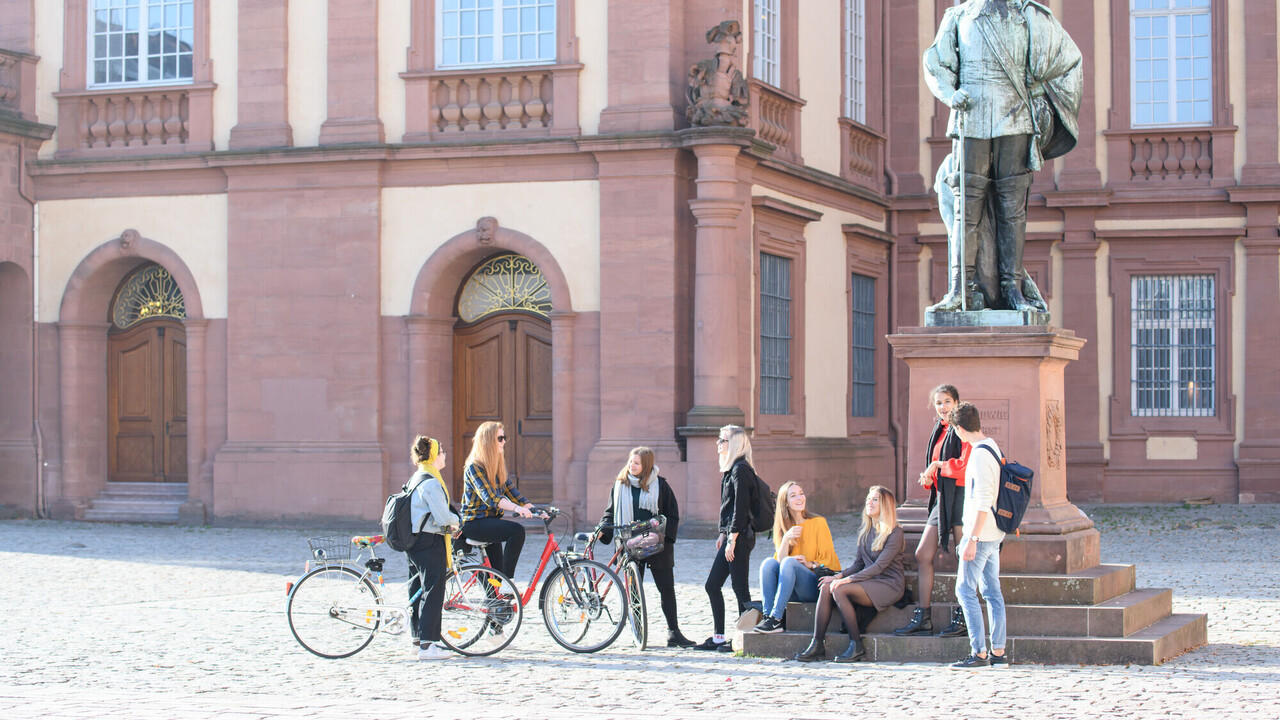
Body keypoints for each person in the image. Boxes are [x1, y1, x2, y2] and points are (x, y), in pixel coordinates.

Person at [923, 0, 1082, 312]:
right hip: (972, 117)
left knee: (1012, 209)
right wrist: (949, 94)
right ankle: (960, 289)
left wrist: (1039, 96)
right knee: (966, 207)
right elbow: (935, 64)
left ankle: (1013, 290)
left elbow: (1068, 61)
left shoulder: (1029, 14)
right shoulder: (958, 16)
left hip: (1016, 118)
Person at [598, 447, 697, 648]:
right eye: (630, 462)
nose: (631, 466)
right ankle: (638, 629)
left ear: (646, 466)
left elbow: (672, 514)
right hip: (629, 542)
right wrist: (604, 530)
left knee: (666, 588)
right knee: (634, 588)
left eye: (636, 463)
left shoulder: (660, 485)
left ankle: (673, 632)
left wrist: (665, 539)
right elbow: (610, 512)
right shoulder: (620, 485)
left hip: (656, 543)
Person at [794, 486, 905, 664]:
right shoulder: (866, 531)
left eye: (875, 499)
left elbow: (879, 566)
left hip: (889, 584)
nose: (869, 502)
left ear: (885, 505)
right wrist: (837, 577)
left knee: (839, 590)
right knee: (826, 586)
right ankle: (817, 644)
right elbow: (859, 564)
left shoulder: (895, 532)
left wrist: (846, 580)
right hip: (869, 581)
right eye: (868, 498)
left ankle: (856, 645)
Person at [896, 384, 970, 638]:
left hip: (960, 497)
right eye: (938, 403)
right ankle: (923, 617)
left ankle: (963, 616)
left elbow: (964, 467)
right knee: (922, 553)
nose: (943, 407)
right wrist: (928, 477)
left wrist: (938, 465)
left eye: (947, 401)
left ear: (957, 402)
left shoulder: (964, 428)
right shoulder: (939, 429)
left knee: (964, 556)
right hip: (942, 498)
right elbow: (933, 465)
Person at [947, 402, 1010, 669]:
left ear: (960, 429)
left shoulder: (981, 454)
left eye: (955, 430)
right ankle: (998, 652)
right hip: (992, 533)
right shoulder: (991, 446)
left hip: (981, 535)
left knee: (964, 590)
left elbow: (983, 500)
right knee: (992, 591)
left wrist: (971, 539)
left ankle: (979, 653)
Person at [694, 425, 758, 651]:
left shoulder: (741, 469)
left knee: (740, 589)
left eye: (721, 440)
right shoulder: (732, 469)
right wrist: (723, 534)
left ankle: (744, 638)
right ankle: (719, 637)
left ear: (734, 444)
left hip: (739, 537)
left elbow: (740, 510)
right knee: (712, 586)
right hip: (732, 535)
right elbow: (730, 509)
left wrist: (732, 539)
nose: (717, 444)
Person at [753, 482, 840, 634]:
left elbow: (830, 561)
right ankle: (768, 616)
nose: (800, 498)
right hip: (790, 589)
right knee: (767, 563)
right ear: (785, 502)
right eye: (793, 495)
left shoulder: (818, 522)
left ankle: (777, 617)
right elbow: (778, 567)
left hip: (814, 586)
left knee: (789, 562)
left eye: (801, 493)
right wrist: (786, 540)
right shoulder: (783, 528)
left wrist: (809, 564)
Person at [459, 421, 539, 581]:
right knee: (516, 532)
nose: (504, 441)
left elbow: (514, 493)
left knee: (497, 576)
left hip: (490, 522)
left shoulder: (497, 466)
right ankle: (510, 582)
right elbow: (491, 498)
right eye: (500, 438)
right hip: (474, 524)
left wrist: (536, 510)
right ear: (488, 441)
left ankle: (496, 600)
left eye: (504, 437)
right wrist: (517, 509)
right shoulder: (474, 467)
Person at [406, 435, 460, 661]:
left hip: (416, 541)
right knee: (433, 591)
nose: (445, 455)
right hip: (429, 541)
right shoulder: (430, 482)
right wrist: (458, 522)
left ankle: (418, 639)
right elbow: (442, 516)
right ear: (434, 456)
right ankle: (428, 646)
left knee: (418, 590)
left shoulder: (417, 477)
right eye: (442, 452)